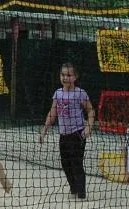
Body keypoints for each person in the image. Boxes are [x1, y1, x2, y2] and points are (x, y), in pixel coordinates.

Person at [38, 63, 95, 199]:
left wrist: (89, 127)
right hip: (63, 135)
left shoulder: (80, 93)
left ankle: (81, 194)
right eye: (63, 75)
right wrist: (44, 130)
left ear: (75, 77)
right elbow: (52, 113)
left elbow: (91, 110)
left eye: (68, 75)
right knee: (65, 163)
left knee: (76, 163)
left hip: (77, 134)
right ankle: (74, 188)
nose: (65, 78)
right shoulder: (57, 93)